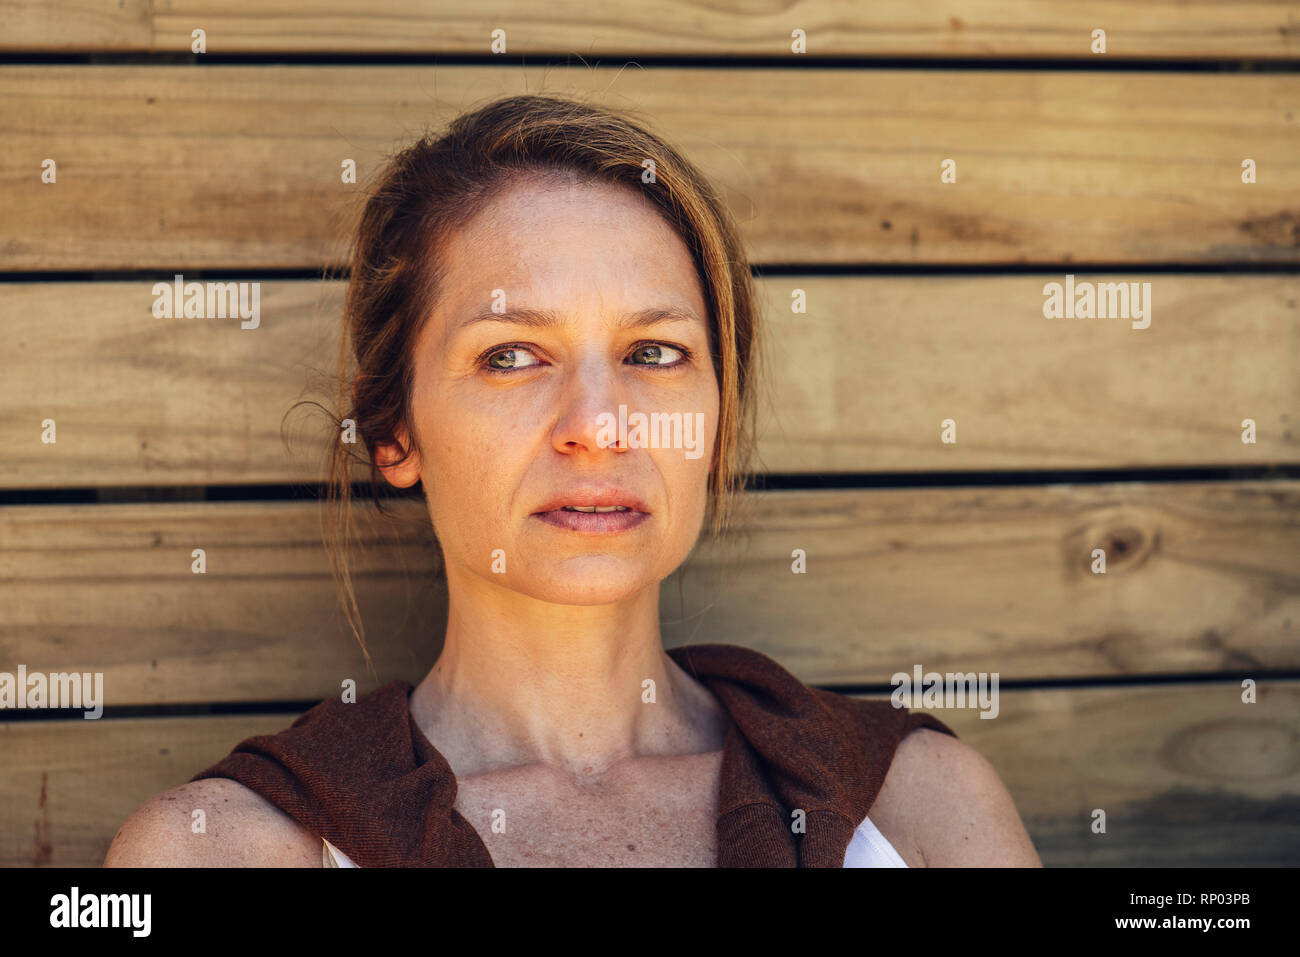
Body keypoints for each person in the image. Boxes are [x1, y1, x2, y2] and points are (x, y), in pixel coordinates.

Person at [105, 93, 1041, 868]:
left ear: (714, 425)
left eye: (654, 351)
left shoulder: (923, 808)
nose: (600, 425)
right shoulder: (217, 853)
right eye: (511, 355)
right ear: (393, 432)